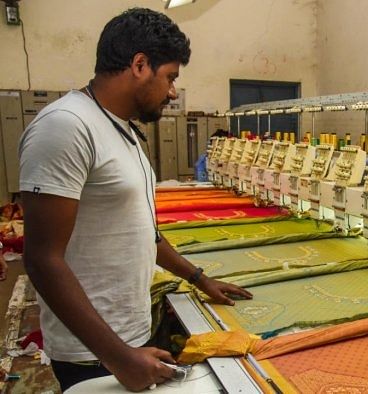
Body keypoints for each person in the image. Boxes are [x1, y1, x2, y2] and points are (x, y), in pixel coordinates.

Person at [19, 8, 252, 392]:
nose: (174, 91)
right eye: (171, 77)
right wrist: (119, 357)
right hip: (92, 352)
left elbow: (144, 232)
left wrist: (199, 278)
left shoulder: (124, 132)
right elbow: (42, 259)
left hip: (130, 334)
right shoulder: (66, 127)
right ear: (140, 64)